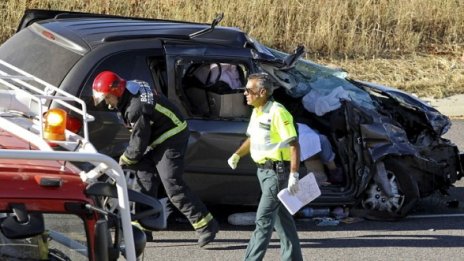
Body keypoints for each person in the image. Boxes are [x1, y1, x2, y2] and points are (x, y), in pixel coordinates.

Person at [92, 71, 218, 247]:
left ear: (117, 91)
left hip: (172, 136)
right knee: (144, 178)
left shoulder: (136, 108)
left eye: (108, 98)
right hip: (156, 135)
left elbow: (138, 144)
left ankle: (206, 225)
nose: (107, 103)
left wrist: (124, 160)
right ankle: (143, 227)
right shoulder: (130, 87)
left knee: (172, 184)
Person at [227, 72, 303, 261]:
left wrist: (294, 174)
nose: (245, 93)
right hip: (263, 172)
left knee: (263, 221)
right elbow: (252, 138)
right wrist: (237, 154)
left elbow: (294, 144)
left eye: (248, 90)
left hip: (276, 174)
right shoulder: (257, 110)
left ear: (261, 92)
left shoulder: (278, 112)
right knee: (282, 219)